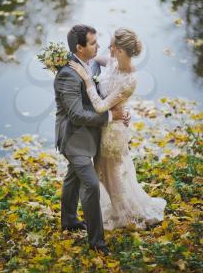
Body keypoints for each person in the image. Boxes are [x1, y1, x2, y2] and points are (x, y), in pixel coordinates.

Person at [69, 28, 167, 230]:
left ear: (121, 50)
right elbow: (97, 61)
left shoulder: (129, 81)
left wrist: (87, 80)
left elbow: (100, 106)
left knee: (111, 173)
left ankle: (124, 214)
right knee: (105, 172)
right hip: (108, 123)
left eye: (112, 45)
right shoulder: (113, 61)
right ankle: (118, 209)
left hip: (112, 131)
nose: (108, 47)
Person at [54, 25, 129, 254]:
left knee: (72, 178)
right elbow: (76, 114)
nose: (98, 46)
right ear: (79, 47)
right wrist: (109, 116)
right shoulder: (67, 74)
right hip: (74, 139)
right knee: (91, 185)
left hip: (91, 135)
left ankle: (68, 220)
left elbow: (105, 88)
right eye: (93, 43)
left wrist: (120, 109)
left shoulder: (92, 63)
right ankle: (97, 241)